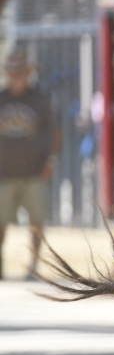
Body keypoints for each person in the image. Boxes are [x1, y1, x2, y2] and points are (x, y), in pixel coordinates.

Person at [0, 51, 59, 280]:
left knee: (36, 221)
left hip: (35, 171)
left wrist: (51, 160)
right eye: (12, 73)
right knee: (1, 222)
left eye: (21, 73)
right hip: (3, 173)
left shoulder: (40, 100)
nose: (16, 77)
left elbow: (54, 132)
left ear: (28, 74)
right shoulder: (1, 99)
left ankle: (33, 265)